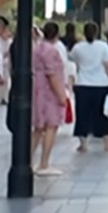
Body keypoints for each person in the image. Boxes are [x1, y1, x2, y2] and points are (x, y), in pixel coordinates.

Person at [69, 23, 108, 152]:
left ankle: (83, 144)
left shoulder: (78, 47)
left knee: (82, 114)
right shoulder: (103, 46)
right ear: (97, 32)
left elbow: (73, 60)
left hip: (82, 84)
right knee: (103, 114)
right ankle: (107, 143)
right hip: (101, 84)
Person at [32, 22, 68, 176]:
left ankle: (28, 160)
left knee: (38, 127)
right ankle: (44, 163)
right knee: (51, 126)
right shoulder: (51, 51)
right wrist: (61, 95)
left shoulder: (37, 48)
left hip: (37, 89)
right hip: (49, 91)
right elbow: (51, 74)